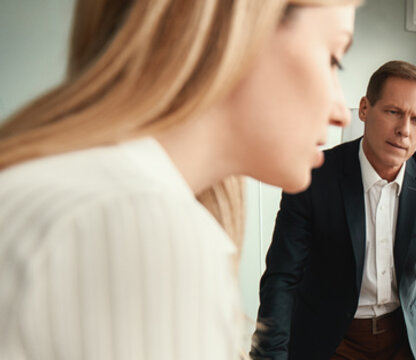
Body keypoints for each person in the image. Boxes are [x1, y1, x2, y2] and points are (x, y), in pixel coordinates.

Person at [0, 0, 357, 359]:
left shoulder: (81, 188)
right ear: (244, 30)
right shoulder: (138, 224)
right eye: (334, 59)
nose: (342, 112)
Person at [251, 60, 416, 360]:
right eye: (394, 112)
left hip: (401, 336)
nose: (404, 130)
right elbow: (282, 278)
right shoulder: (314, 178)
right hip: (330, 338)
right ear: (364, 109)